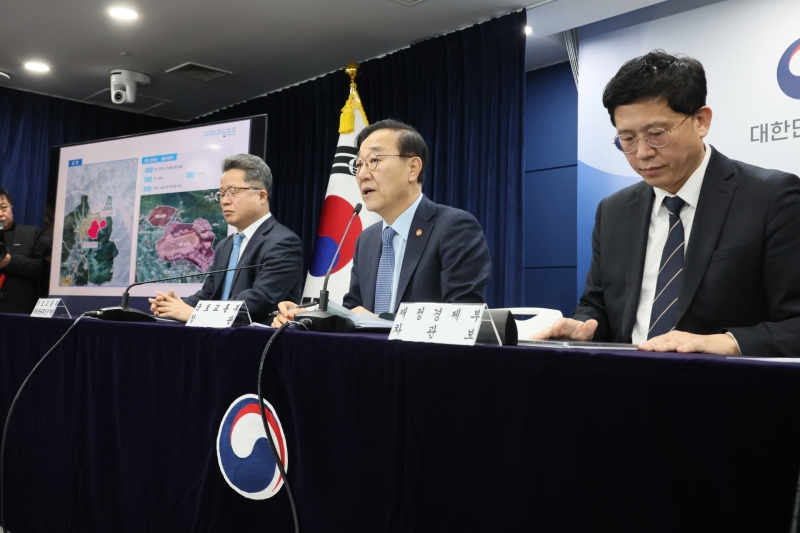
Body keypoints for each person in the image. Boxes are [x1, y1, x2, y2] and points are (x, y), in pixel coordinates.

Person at [533, 50, 800, 357]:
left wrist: (726, 342)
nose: (642, 152)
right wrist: (584, 327)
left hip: (726, 384)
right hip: (626, 381)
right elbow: (597, 305)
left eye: (656, 134)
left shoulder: (771, 197)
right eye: (627, 139)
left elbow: (794, 323)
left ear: (701, 121)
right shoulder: (614, 211)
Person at [272, 119, 491, 326]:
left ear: (413, 168)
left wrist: (381, 322)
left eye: (374, 161)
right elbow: (352, 311)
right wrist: (306, 317)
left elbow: (464, 317)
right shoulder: (367, 239)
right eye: (359, 164)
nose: (362, 175)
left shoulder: (453, 227)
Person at [149, 154, 303, 324]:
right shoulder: (226, 245)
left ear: (261, 196)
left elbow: (259, 301)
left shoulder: (283, 242)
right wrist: (174, 306)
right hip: (216, 336)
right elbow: (209, 294)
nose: (224, 201)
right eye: (222, 194)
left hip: (256, 337)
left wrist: (194, 314)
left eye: (233, 191)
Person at [0, 189, 53, 314]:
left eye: (4, 208)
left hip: (20, 313)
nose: (0, 214)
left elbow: (43, 269)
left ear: (11, 208)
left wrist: (11, 261)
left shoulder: (32, 234)